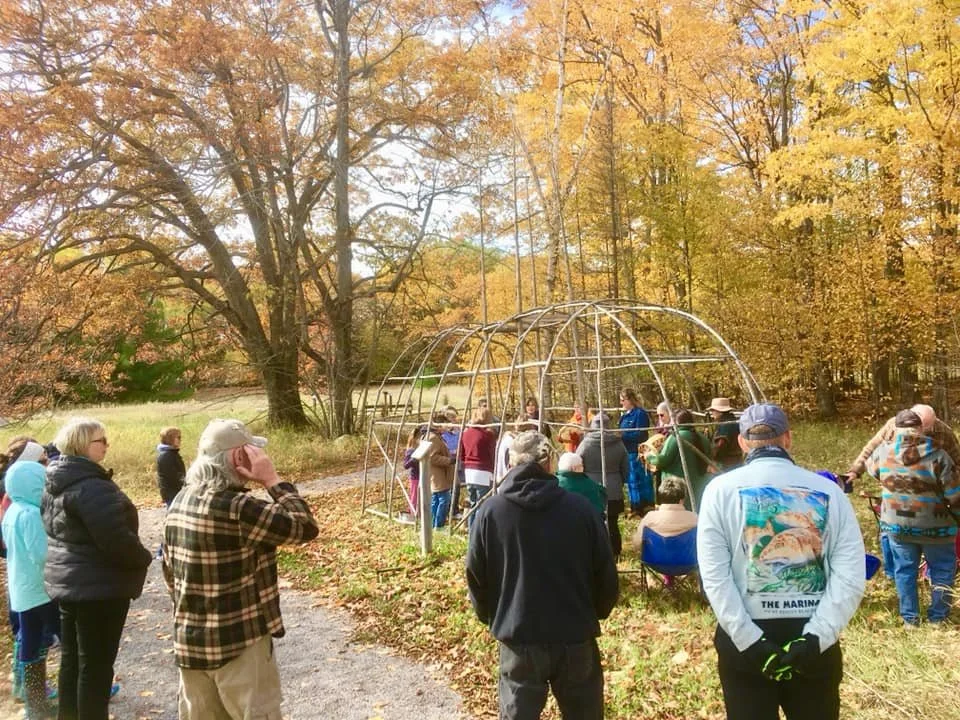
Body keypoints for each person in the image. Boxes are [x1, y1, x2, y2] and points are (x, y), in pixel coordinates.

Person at [698, 403, 865, 720]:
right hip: (814, 644)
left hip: (744, 648)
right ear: (788, 438)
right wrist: (815, 640)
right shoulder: (830, 491)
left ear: (742, 442)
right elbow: (850, 577)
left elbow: (715, 579)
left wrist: (751, 643)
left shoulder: (717, 491)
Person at [162, 418, 319, 720]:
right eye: (253, 451)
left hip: (190, 646)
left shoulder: (180, 501)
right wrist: (272, 480)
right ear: (239, 457)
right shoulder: (239, 508)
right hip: (240, 647)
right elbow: (305, 527)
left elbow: (169, 572)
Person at [466, 431, 619, 720]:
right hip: (574, 632)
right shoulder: (581, 510)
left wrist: (494, 616)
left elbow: (476, 575)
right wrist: (597, 611)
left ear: (511, 464)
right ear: (548, 463)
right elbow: (605, 572)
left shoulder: (491, 512)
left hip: (519, 634)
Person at [42, 417, 152, 720]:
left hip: (69, 583)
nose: (107, 445)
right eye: (100, 440)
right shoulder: (91, 487)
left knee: (73, 661)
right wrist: (144, 558)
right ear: (81, 444)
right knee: (96, 666)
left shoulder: (57, 480)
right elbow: (116, 540)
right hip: (98, 589)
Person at [864, 409, 959, 626]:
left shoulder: (883, 452)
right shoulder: (938, 455)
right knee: (942, 570)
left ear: (896, 429)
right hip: (937, 527)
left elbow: (872, 470)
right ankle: (938, 618)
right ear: (920, 429)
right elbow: (954, 495)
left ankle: (910, 619)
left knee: (904, 571)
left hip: (896, 526)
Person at [3, 459, 59, 719]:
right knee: (69, 637)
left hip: (21, 591)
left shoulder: (13, 510)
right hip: (41, 590)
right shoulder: (31, 514)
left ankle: (34, 705)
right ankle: (86, 689)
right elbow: (41, 554)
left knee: (30, 642)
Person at [844, 403, 960, 487]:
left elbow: (957, 460)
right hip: (896, 483)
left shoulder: (944, 432)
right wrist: (855, 471)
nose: (919, 432)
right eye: (916, 427)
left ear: (934, 422)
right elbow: (871, 448)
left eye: (925, 428)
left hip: (930, 486)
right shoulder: (893, 425)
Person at [577, 413, 630, 560]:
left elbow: (577, 464)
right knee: (612, 521)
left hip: (591, 489)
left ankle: (596, 553)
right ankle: (615, 552)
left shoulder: (585, 444)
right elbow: (626, 468)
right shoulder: (618, 444)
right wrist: (619, 481)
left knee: (593, 523)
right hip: (613, 489)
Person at [645, 409, 713, 511]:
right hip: (699, 485)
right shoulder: (703, 438)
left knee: (679, 513)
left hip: (678, 486)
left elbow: (662, 460)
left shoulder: (676, 437)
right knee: (696, 512)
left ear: (676, 421)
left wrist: (649, 456)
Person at [630, 476, 698, 552]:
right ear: (682, 500)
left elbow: (637, 544)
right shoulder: (694, 519)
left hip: (655, 559)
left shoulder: (650, 518)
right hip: (686, 559)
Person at [459, 406, 497, 526]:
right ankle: (479, 531)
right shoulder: (488, 435)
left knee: (473, 503)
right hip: (483, 472)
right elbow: (492, 454)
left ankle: (472, 530)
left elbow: (461, 454)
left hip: (469, 471)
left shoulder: (466, 433)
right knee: (482, 504)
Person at [619, 388, 653, 516]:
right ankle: (635, 506)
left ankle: (646, 506)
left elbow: (641, 434)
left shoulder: (640, 414)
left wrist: (623, 436)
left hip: (638, 452)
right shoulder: (624, 416)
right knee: (631, 480)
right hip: (627, 452)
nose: (621, 403)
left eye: (623, 400)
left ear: (630, 400)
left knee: (642, 479)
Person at [425, 417, 455, 528]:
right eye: (445, 424)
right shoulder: (433, 438)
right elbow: (433, 457)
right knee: (444, 500)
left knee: (437, 499)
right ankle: (438, 525)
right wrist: (449, 460)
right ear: (438, 425)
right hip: (438, 474)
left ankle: (433, 524)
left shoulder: (437, 437)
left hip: (438, 474)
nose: (447, 427)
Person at [556, 452, 606, 516]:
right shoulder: (588, 484)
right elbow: (600, 506)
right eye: (581, 465)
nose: (583, 468)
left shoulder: (553, 482)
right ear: (574, 468)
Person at [708, 397, 742, 471]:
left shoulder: (725, 425)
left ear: (720, 411)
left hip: (727, 463)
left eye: (713, 410)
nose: (712, 413)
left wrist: (711, 457)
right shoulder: (732, 421)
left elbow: (721, 445)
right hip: (737, 460)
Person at [156, 426, 186, 507]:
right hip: (172, 493)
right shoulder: (166, 455)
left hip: (175, 492)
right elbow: (173, 477)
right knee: (175, 511)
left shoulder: (172, 453)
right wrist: (184, 484)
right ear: (170, 439)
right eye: (178, 437)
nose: (180, 440)